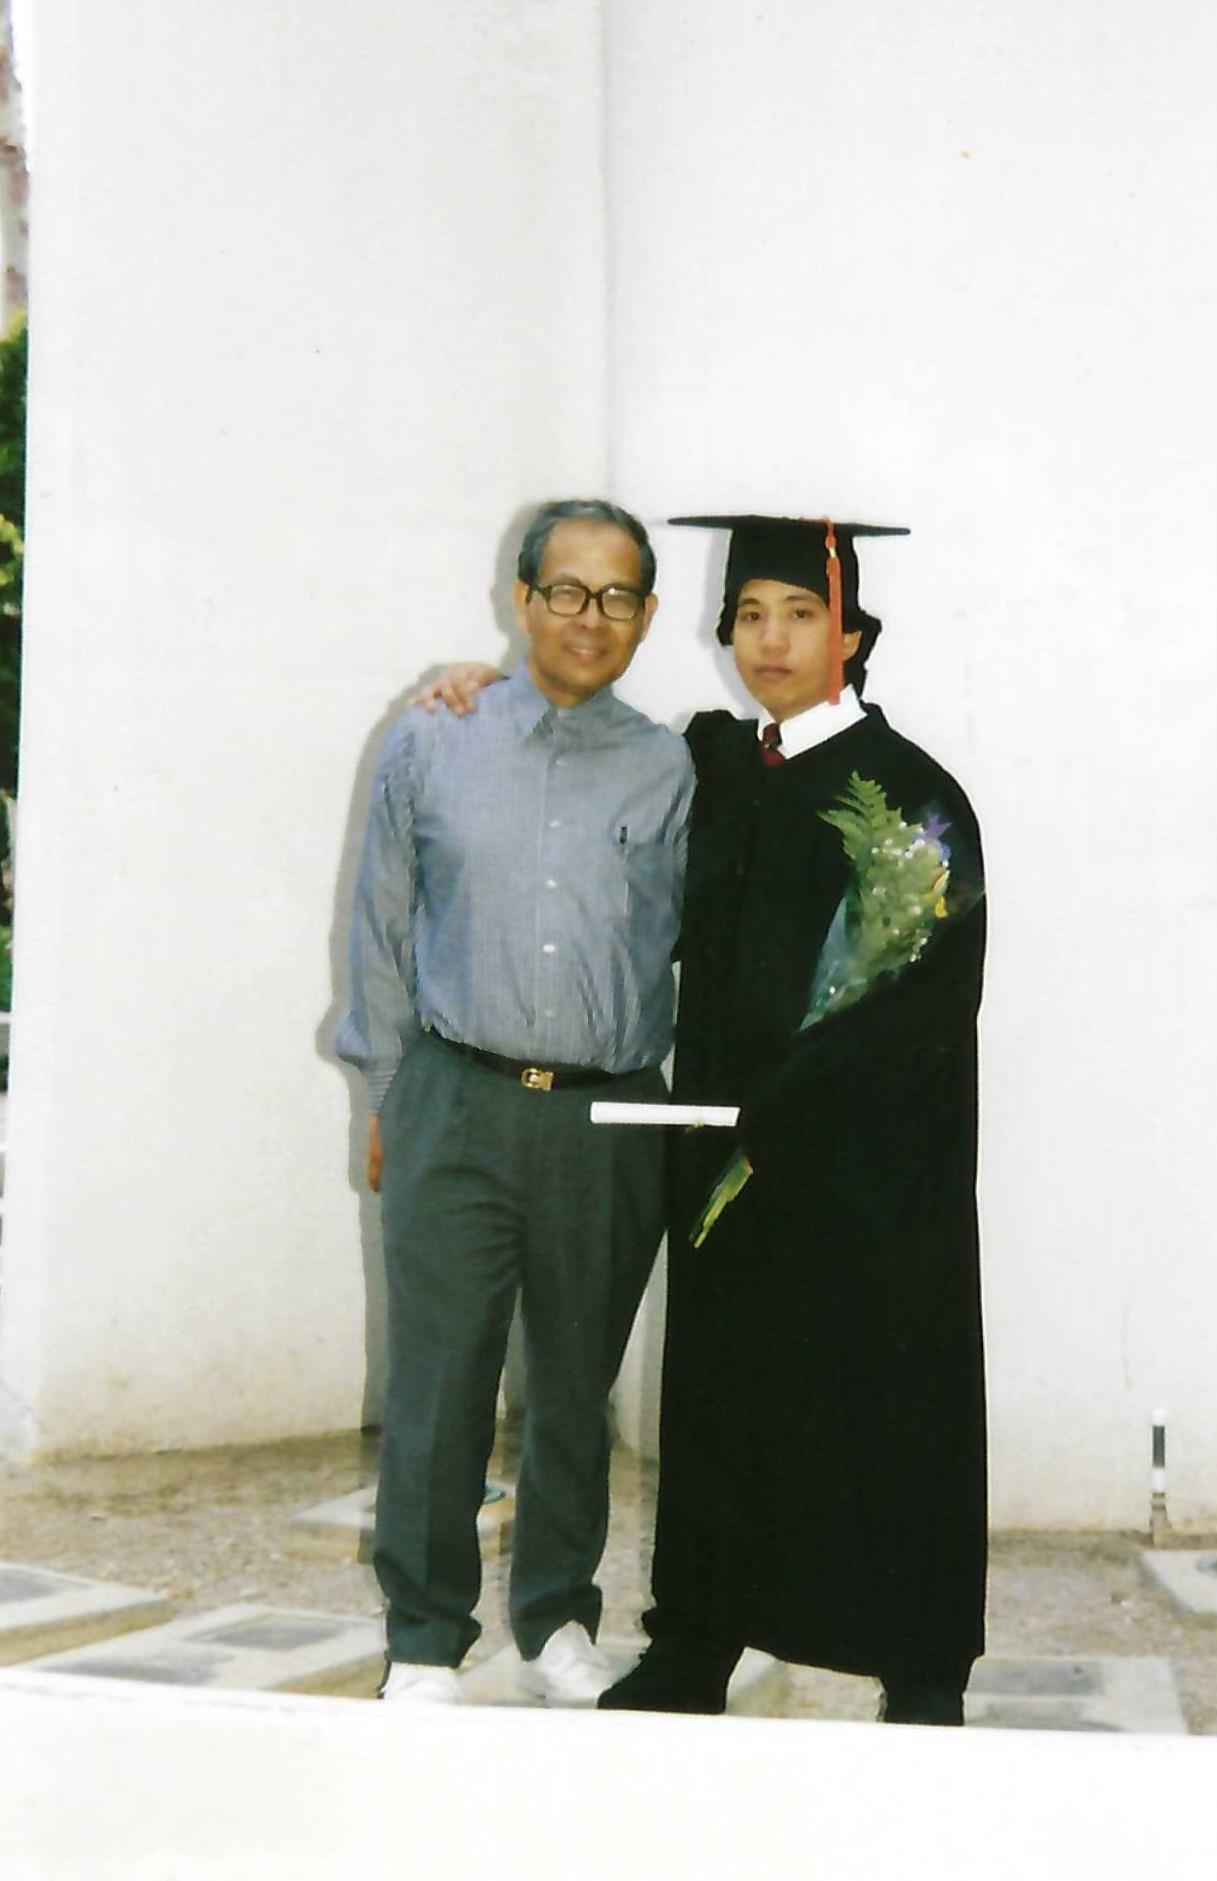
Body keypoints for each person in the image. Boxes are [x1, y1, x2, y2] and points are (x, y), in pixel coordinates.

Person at [422, 511, 987, 1726]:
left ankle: (922, 1663)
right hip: (727, 1167)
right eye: (748, 616)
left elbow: (920, 1002)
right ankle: (700, 1644)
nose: (771, 641)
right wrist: (480, 687)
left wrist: (792, 1115)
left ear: (852, 630)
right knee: (725, 1403)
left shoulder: (917, 800)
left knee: (883, 1403)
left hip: (864, 1185)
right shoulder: (724, 771)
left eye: (799, 614)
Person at [336, 498, 693, 1706]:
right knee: (437, 1384)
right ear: (523, 597)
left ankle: (553, 1625)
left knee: (575, 1391)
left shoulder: (670, 764)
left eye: (618, 596)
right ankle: (427, 1638)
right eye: (567, 590)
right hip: (454, 1094)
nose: (590, 618)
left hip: (608, 1118)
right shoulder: (432, 737)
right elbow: (378, 929)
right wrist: (385, 1092)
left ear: (646, 614)